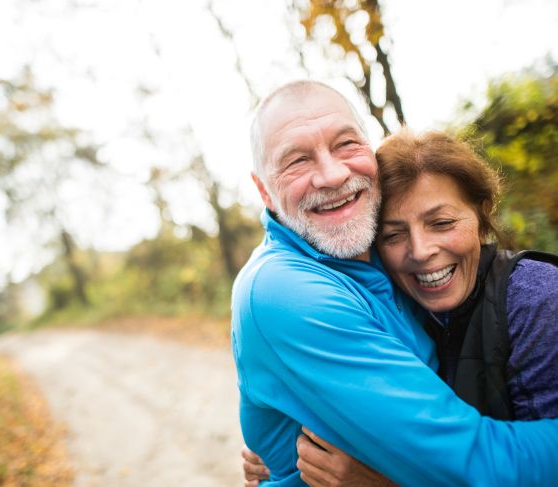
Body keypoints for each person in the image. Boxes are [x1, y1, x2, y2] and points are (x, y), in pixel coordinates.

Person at [232, 79, 558, 487]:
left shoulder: (381, 264)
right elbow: (472, 464)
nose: (332, 175)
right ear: (264, 189)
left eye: (346, 144)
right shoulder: (283, 291)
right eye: (296, 161)